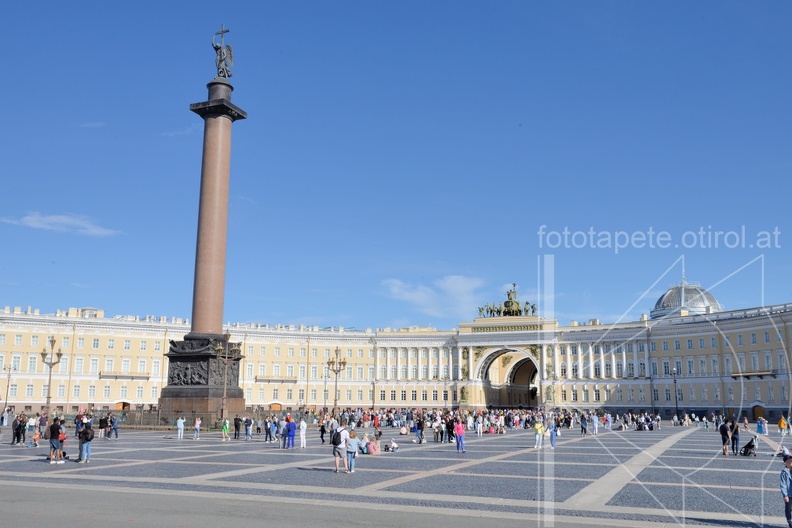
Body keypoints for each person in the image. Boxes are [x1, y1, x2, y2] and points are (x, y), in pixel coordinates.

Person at [781, 454, 792, 528]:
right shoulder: (784, 472)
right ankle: (790, 521)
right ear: (786, 461)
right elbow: (783, 484)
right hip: (789, 494)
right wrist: (785, 495)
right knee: (788, 509)